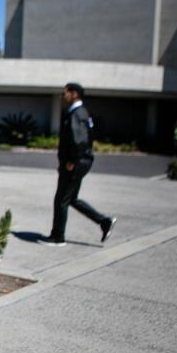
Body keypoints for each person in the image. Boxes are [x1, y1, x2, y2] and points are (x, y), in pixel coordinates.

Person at [42, 82, 116, 247]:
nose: (62, 96)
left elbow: (80, 141)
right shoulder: (81, 113)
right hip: (79, 162)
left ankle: (57, 237)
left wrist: (71, 162)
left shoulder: (77, 113)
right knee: (71, 199)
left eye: (64, 93)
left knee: (61, 199)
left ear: (74, 94)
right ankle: (105, 222)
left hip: (75, 163)